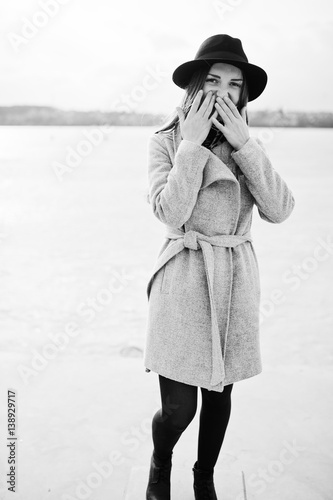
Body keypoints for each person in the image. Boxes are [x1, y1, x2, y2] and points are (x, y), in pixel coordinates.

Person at [143, 34, 295, 500]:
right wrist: (190, 147)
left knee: (220, 396)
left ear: (242, 95)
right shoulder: (166, 142)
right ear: (194, 86)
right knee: (178, 409)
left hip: (232, 277)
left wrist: (246, 146)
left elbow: (280, 209)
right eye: (212, 80)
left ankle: (203, 476)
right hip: (185, 276)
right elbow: (169, 214)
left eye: (234, 84)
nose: (222, 91)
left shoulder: (247, 144)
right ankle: (161, 460)